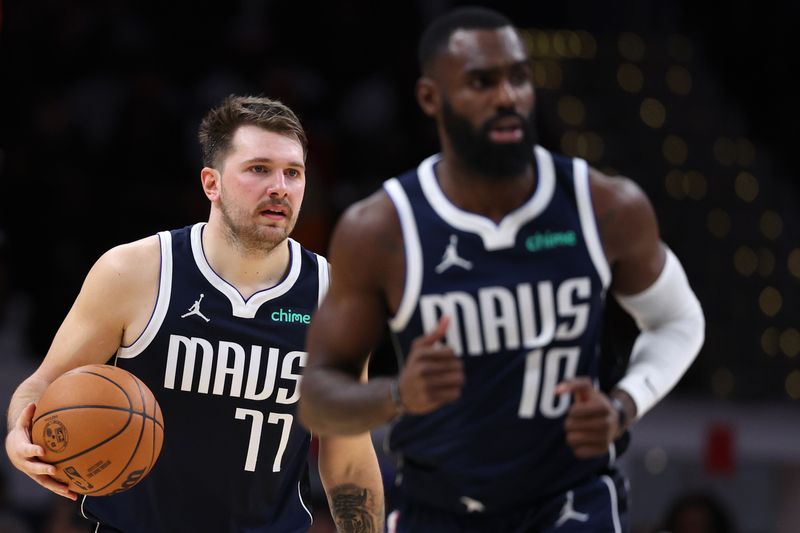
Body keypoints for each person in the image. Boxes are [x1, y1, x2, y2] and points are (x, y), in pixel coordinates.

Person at [298, 7, 705, 532]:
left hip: (571, 501)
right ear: (430, 98)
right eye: (482, 82)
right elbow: (317, 399)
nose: (507, 96)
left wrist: (624, 405)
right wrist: (399, 394)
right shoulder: (381, 229)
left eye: (518, 78)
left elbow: (679, 320)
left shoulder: (604, 206)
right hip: (440, 508)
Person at [5, 95, 384, 533]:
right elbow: (40, 386)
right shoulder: (135, 271)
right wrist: (20, 433)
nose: (280, 186)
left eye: (293, 173)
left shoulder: (333, 295)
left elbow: (349, 454)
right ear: (212, 183)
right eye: (259, 168)